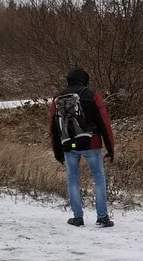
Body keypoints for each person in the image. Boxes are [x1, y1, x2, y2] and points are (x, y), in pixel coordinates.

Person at [49, 68, 115, 227]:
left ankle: (77, 218)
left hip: (68, 145)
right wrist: (110, 148)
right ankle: (102, 218)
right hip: (91, 143)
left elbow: (52, 127)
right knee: (98, 179)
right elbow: (104, 122)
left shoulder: (58, 98)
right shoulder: (92, 95)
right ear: (85, 79)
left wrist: (57, 151)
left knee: (72, 180)